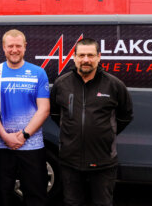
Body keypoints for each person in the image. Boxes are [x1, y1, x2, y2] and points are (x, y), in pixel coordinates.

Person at [50, 38, 133, 206]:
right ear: (74, 57)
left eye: (90, 55)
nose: (86, 60)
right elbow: (55, 114)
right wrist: (73, 133)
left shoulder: (114, 85)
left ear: (99, 57)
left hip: (103, 160)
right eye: (81, 55)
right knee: (72, 202)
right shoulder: (61, 84)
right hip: (70, 159)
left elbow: (125, 115)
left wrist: (105, 133)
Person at [0, 29, 50, 206]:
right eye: (10, 46)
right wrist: (5, 136)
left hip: (31, 145)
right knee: (3, 194)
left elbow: (44, 109)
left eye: (18, 46)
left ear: (25, 47)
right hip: (1, 145)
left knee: (36, 194)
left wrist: (24, 135)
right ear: (3, 47)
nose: (14, 50)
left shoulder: (38, 73)